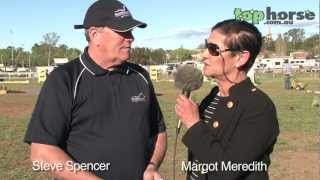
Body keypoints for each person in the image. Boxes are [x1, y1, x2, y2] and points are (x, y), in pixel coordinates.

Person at [24, 0, 167, 179]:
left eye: (130, 31)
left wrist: (152, 166)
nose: (131, 37)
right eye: (123, 31)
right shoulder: (64, 79)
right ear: (94, 34)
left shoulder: (140, 76)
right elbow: (41, 152)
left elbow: (158, 130)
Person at [175, 19, 279, 180]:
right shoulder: (214, 95)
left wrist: (193, 123)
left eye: (213, 49)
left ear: (240, 58)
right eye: (206, 46)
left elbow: (229, 170)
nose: (204, 55)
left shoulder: (259, 107)